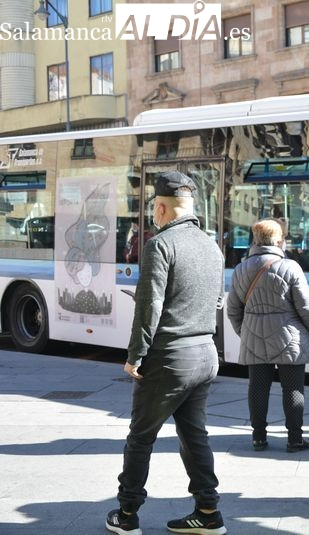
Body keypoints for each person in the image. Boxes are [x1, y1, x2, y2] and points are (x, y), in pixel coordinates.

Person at [106, 171, 227, 535]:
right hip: (205, 352)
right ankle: (207, 511)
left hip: (170, 356)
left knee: (141, 437)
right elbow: (216, 300)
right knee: (195, 435)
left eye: (152, 210)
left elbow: (150, 305)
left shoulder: (160, 245)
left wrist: (135, 356)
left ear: (160, 208)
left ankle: (126, 516)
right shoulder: (213, 246)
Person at [227, 218, 309, 453]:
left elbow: (233, 310)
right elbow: (307, 308)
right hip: (290, 338)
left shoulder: (240, 269)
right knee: (293, 389)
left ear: (255, 241)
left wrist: (245, 332)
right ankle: (295, 439)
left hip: (254, 337)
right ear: (279, 241)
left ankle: (259, 437)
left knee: (257, 388)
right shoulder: (290, 267)